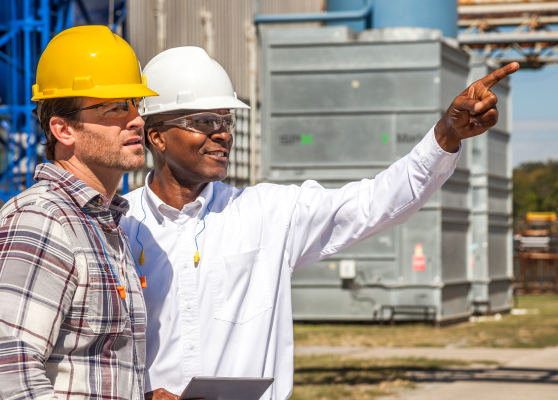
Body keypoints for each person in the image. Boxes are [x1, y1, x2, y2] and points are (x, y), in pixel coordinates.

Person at [120, 46, 519, 400]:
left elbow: (374, 202)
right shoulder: (118, 225)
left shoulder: (267, 213)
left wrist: (446, 135)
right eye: (205, 122)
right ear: (156, 137)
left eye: (226, 122)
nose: (222, 134)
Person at [0, 26, 158, 400]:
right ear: (63, 128)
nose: (136, 119)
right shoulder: (42, 219)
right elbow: (10, 373)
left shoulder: (101, 224)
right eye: (116, 107)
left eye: (136, 104)